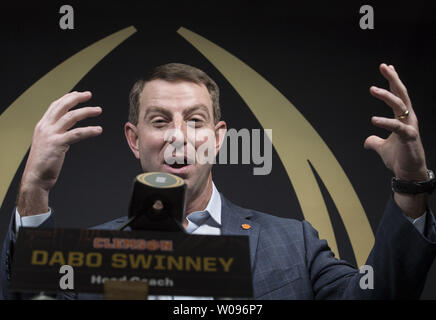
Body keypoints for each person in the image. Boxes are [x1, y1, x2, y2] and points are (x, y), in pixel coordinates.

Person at [1, 63, 435, 300]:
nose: (177, 135)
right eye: (159, 121)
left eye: (195, 121)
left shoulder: (294, 244)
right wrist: (34, 189)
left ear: (218, 139)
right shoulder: (87, 259)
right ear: (135, 140)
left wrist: (411, 185)